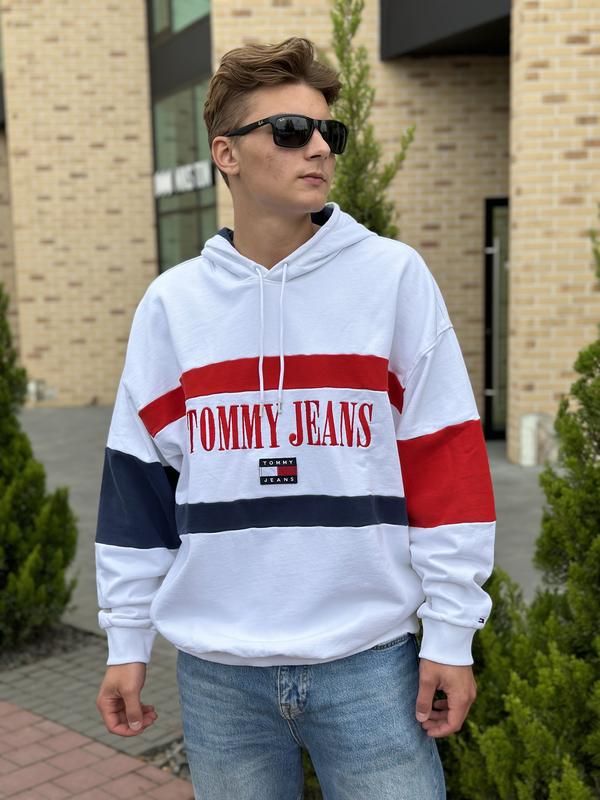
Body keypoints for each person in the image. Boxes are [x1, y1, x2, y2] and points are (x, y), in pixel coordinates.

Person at [95, 36, 496, 800]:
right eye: (289, 130)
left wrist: (451, 635)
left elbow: (447, 466)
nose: (317, 147)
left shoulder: (391, 278)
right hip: (218, 675)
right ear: (227, 153)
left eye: (327, 132)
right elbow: (136, 487)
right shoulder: (173, 306)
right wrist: (126, 640)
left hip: (369, 663)